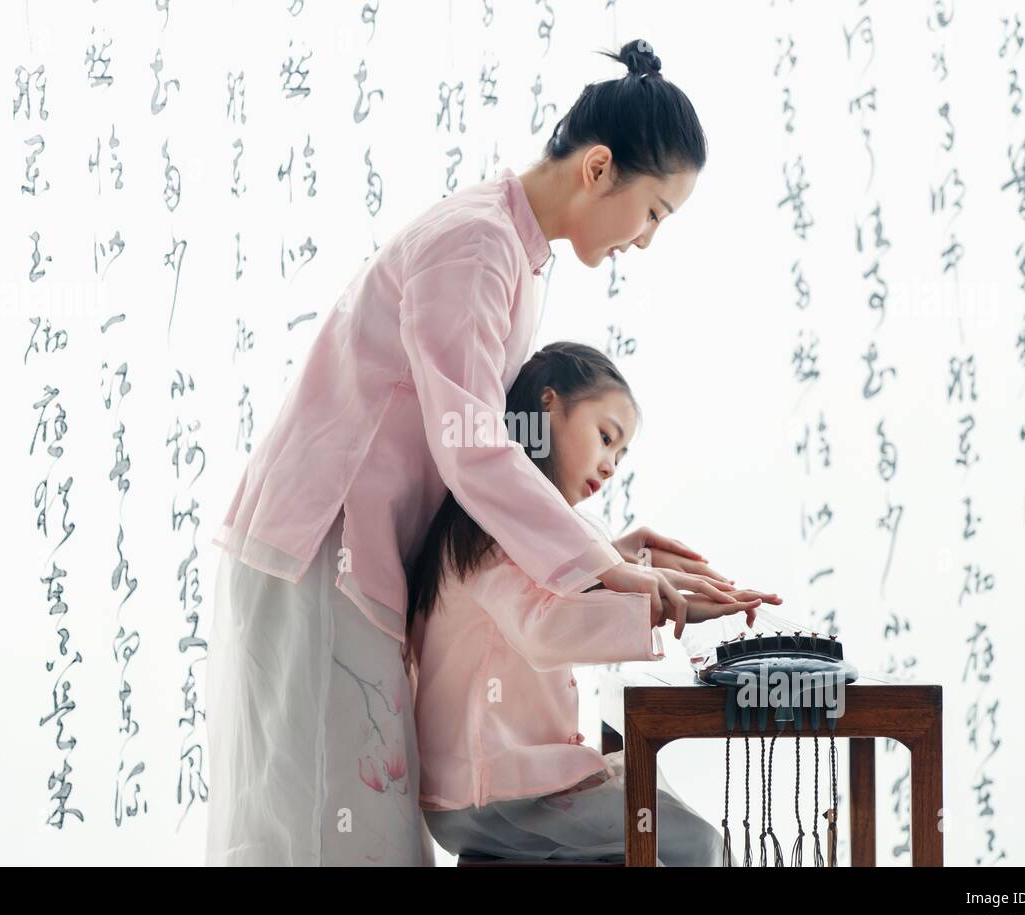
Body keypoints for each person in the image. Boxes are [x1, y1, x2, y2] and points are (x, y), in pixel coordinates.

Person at [206, 39, 738, 866]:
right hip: (322, 544)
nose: (647, 240)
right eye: (656, 212)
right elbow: (474, 450)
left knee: (347, 818)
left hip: (352, 547)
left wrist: (599, 556)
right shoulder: (478, 244)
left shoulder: (514, 254)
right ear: (600, 168)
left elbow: (497, 462)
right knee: (319, 824)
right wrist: (599, 563)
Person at [410, 342, 781, 865]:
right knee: (692, 842)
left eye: (621, 455)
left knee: (656, 812)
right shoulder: (490, 526)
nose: (609, 466)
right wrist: (660, 606)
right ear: (548, 405)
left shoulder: (516, 523)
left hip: (499, 786)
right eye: (606, 437)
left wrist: (640, 564)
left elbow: (573, 573)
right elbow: (543, 627)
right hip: (490, 791)